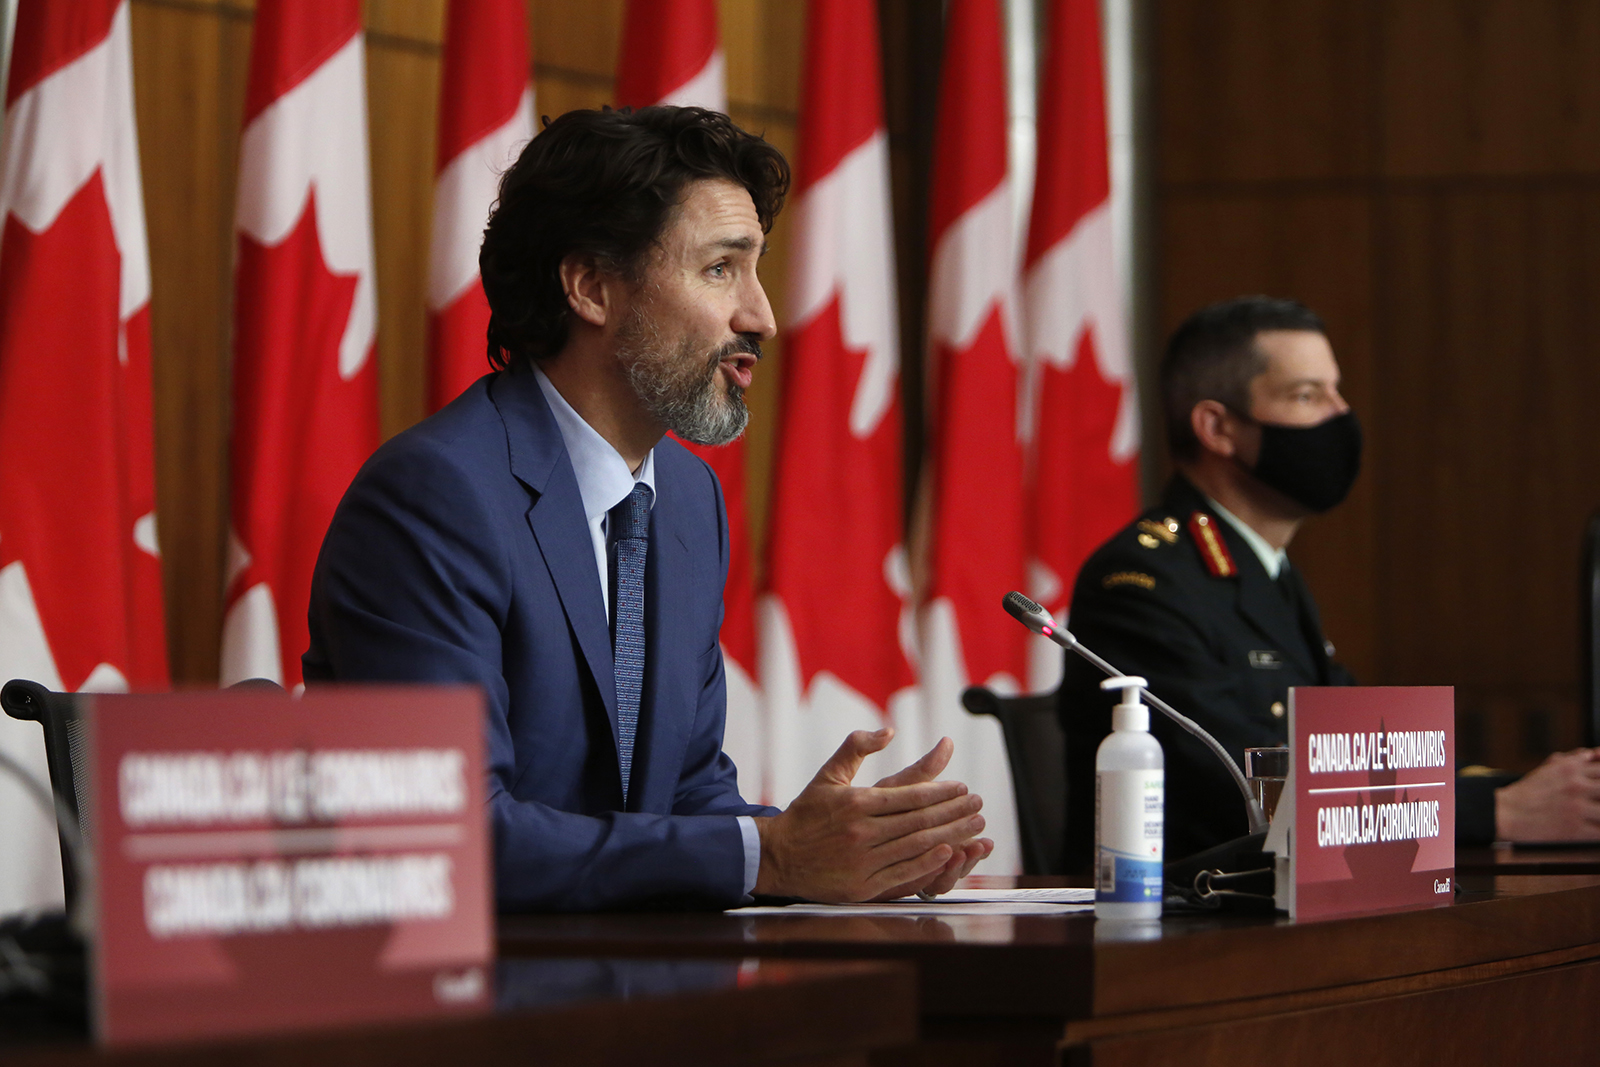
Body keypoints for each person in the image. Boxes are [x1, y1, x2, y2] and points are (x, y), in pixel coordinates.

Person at [305, 106, 992, 911]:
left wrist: (854, 853)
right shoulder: (435, 497)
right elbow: (449, 835)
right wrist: (768, 856)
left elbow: (687, 799)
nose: (761, 316)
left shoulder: (688, 499)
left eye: (757, 270)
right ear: (591, 286)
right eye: (719, 270)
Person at [1057, 296, 1600, 870]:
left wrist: (1544, 792)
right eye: (1307, 395)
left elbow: (1354, 754)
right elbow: (1239, 791)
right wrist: (1500, 812)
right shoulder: (1144, 583)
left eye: (1335, 391)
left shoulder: (1263, 570)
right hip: (1183, 932)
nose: (1340, 415)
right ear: (1217, 427)